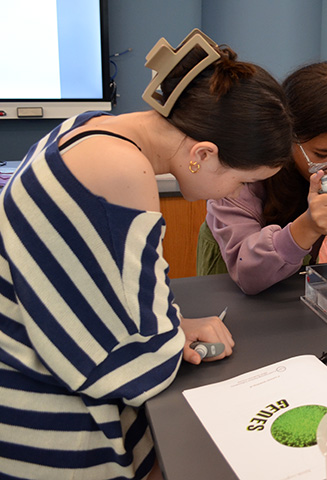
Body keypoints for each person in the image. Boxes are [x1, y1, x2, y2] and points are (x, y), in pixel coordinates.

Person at [0, 29, 292, 479]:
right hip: (43, 421)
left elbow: (108, 292)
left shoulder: (89, 126)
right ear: (203, 154)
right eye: (240, 181)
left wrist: (175, 326)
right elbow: (147, 354)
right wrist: (172, 337)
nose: (237, 192)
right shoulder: (124, 172)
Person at [199, 61, 327, 294]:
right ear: (287, 135)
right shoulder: (243, 174)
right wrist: (306, 227)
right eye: (322, 155)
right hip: (232, 283)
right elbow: (247, 274)